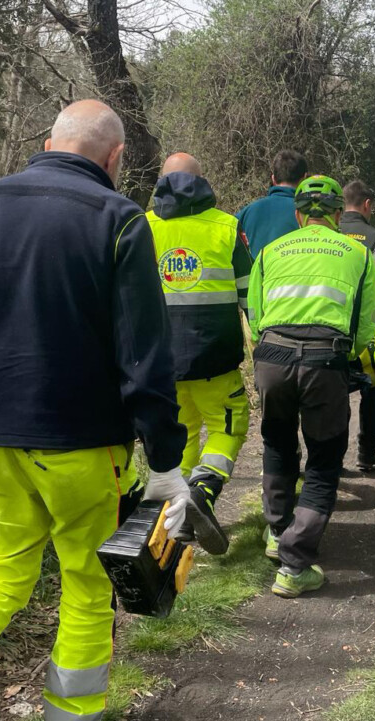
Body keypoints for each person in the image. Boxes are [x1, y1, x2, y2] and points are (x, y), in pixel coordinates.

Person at [0, 100, 189, 721]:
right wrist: (167, 461)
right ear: (114, 158)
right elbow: (147, 360)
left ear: (49, 141)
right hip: (82, 445)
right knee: (87, 585)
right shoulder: (119, 220)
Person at [248, 175, 375, 597]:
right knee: (324, 456)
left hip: (273, 355)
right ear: (339, 214)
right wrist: (347, 359)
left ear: (299, 213)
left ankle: (276, 531)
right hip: (326, 359)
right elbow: (365, 323)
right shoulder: (357, 254)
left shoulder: (269, 251)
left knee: (277, 441)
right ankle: (294, 564)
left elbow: (255, 313)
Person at [146, 152, 253, 555]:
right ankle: (202, 493)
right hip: (214, 357)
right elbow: (248, 294)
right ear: (201, 181)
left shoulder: (142, 225)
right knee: (228, 425)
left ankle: (178, 521)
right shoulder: (227, 226)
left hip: (160, 361)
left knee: (184, 432)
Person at [339, 179, 375, 471]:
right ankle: (367, 451)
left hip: (333, 321)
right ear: (367, 205)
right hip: (365, 328)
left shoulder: (331, 232)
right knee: (370, 387)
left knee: (336, 388)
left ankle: (335, 453)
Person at [235, 149, 308, 260]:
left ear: (273, 178)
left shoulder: (247, 212)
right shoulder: (309, 212)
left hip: (257, 276)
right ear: (304, 179)